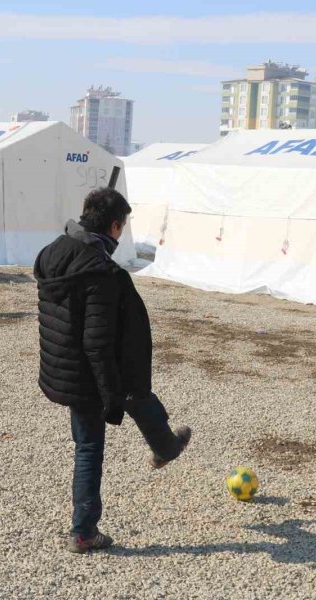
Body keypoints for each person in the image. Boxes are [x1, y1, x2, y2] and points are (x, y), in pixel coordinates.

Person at [34, 187, 192, 554]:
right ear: (116, 227)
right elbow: (96, 341)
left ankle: (166, 446)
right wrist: (109, 396)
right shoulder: (100, 271)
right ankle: (84, 532)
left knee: (135, 394)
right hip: (88, 372)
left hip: (64, 368)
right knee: (90, 447)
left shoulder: (54, 252)